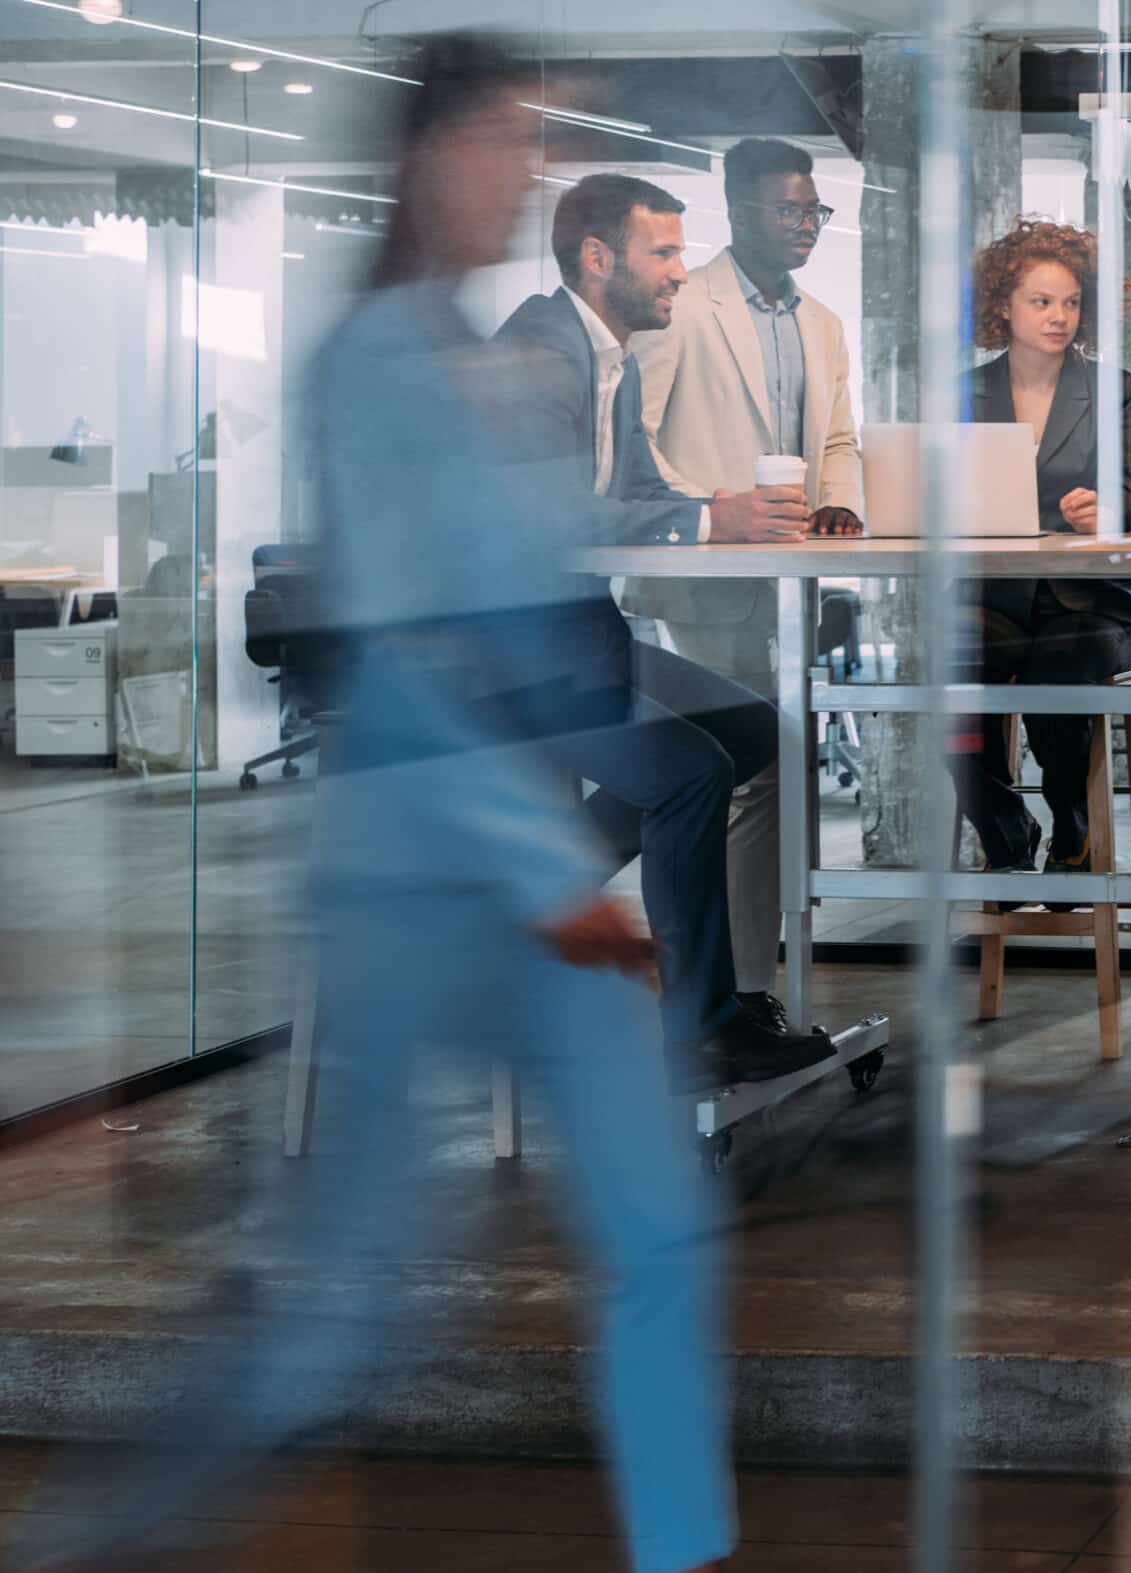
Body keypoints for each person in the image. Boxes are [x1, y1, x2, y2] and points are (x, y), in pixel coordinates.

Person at [8, 38, 737, 1573]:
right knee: (342, 1314)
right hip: (420, 880)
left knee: (662, 1232)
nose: (525, 175)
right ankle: (85, 1542)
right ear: (425, 156)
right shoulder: (374, 364)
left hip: (535, 879)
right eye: (505, 142)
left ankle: (684, 1547)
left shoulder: (487, 360)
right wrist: (559, 876)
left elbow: (534, 607)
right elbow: (409, 653)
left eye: (537, 145)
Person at [492, 172, 835, 1086]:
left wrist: (719, 506)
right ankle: (702, 1026)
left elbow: (637, 494)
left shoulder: (612, 355)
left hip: (576, 634)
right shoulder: (537, 352)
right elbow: (548, 517)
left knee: (755, 728)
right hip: (507, 653)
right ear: (597, 258)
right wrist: (707, 524)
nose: (682, 273)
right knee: (691, 774)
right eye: (665, 252)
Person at [626, 136, 862, 1006]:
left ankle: (749, 984)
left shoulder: (822, 323)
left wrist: (839, 502)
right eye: (788, 210)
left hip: (790, 578)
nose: (805, 227)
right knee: (738, 777)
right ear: (740, 211)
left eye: (815, 211)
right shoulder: (683, 306)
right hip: (706, 576)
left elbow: (835, 438)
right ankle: (729, 991)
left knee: (772, 777)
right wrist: (710, 512)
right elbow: (636, 445)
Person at [950, 220, 1131, 888]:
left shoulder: (1116, 389)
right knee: (945, 679)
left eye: (1069, 302)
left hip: (1089, 598)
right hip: (994, 596)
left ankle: (1071, 822)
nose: (1059, 316)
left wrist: (1111, 509)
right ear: (1002, 304)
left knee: (1058, 670)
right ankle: (1006, 829)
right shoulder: (962, 394)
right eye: (1041, 301)